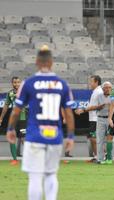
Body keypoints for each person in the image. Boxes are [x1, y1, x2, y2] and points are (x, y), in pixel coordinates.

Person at [6, 45, 75, 200]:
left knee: (35, 177)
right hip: (55, 136)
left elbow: (16, 110)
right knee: (51, 175)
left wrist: (10, 128)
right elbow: (69, 114)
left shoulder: (29, 83)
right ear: (51, 62)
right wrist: (70, 136)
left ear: (37, 62)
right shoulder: (62, 84)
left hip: (34, 136)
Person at [0, 76, 27, 165]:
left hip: (23, 118)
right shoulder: (10, 93)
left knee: (24, 139)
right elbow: (6, 106)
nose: (16, 84)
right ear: (12, 83)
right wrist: (1, 117)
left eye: (18, 82)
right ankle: (15, 159)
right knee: (12, 138)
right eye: (15, 82)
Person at [75, 75, 102, 163]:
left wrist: (83, 110)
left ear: (96, 82)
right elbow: (91, 105)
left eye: (91, 81)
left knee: (94, 138)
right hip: (93, 118)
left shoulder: (99, 92)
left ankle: (102, 155)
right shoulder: (95, 91)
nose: (90, 83)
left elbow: (98, 106)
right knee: (92, 138)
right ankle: (97, 156)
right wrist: (81, 109)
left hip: (96, 118)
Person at [95, 81, 112, 164]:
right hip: (100, 118)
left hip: (109, 119)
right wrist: (100, 106)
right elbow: (94, 107)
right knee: (100, 139)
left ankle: (110, 158)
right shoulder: (98, 96)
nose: (108, 89)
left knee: (111, 139)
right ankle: (100, 159)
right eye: (106, 87)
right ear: (102, 88)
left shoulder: (113, 97)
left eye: (109, 87)